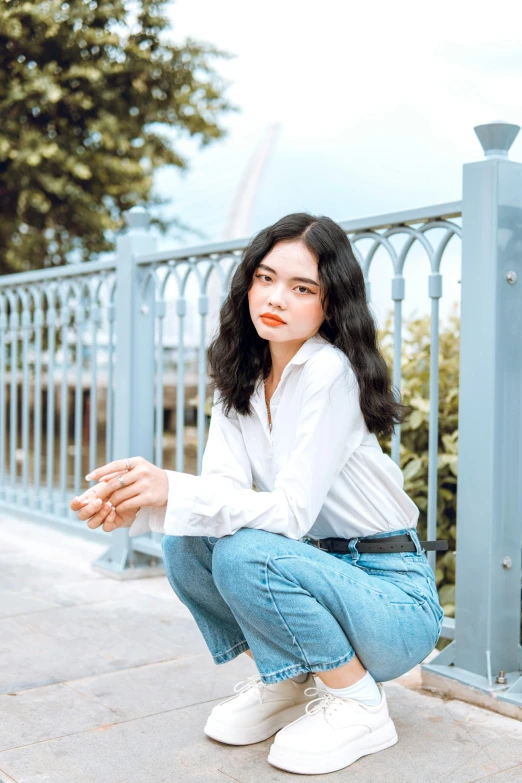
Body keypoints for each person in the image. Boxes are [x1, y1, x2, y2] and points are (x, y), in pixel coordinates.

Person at [71, 212, 444, 776]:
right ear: (248, 281)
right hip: (320, 571)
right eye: (265, 278)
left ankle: (361, 704)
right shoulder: (239, 378)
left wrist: (172, 486)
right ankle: (289, 679)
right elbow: (218, 494)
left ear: (330, 305)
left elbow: (291, 514)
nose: (276, 298)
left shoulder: (330, 373)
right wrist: (147, 502)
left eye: (302, 288)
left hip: (391, 600)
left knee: (246, 550)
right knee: (185, 540)